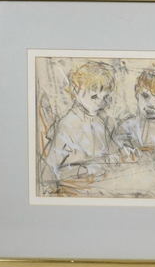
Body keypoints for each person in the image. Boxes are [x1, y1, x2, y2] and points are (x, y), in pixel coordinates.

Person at [40, 60, 117, 195]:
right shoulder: (68, 124)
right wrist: (84, 170)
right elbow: (48, 174)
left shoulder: (100, 121)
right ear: (76, 91)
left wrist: (110, 158)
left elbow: (104, 154)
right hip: (73, 190)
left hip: (98, 185)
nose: (100, 103)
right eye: (94, 96)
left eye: (105, 97)